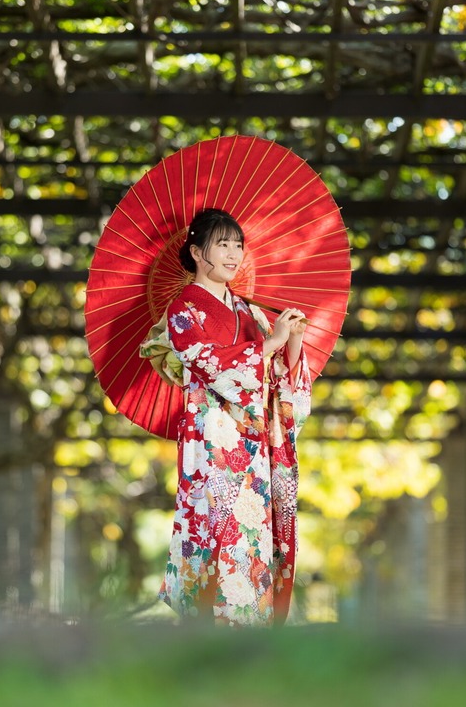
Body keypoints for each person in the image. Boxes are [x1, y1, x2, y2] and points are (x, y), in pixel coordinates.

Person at [152, 207, 311, 626]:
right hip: (211, 442)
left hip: (253, 445)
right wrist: (270, 343)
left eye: (238, 245)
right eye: (222, 244)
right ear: (196, 252)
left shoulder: (249, 312)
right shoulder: (183, 310)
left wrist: (292, 342)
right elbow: (209, 364)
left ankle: (248, 630)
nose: (233, 254)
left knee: (251, 534)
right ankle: (209, 629)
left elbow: (275, 380)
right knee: (215, 530)